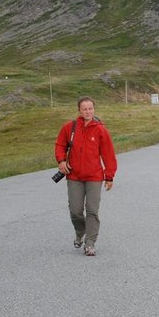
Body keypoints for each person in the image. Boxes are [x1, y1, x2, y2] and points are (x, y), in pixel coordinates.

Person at [54, 96, 117, 256]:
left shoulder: (101, 130)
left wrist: (109, 176)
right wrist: (61, 161)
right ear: (79, 110)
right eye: (85, 109)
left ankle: (90, 243)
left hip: (94, 177)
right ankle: (80, 231)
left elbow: (108, 154)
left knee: (92, 210)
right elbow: (60, 144)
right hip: (74, 176)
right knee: (75, 210)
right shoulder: (70, 127)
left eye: (90, 108)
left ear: (94, 109)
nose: (88, 111)